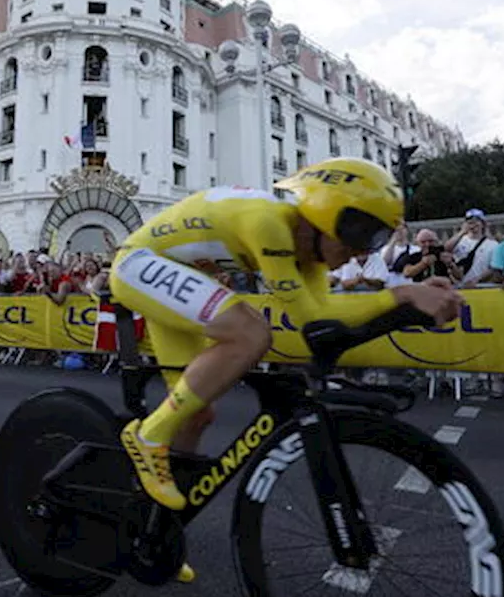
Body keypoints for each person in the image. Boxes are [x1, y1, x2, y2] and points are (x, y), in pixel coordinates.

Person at [109, 158, 464, 570]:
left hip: (175, 273)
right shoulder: (268, 225)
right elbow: (307, 316)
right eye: (359, 234)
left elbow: (323, 313)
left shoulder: (308, 254)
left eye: (375, 238)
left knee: (195, 413)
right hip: (138, 264)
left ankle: (155, 530)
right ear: (324, 215)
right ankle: (149, 435)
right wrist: (403, 296)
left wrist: (407, 292)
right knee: (250, 334)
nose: (360, 251)